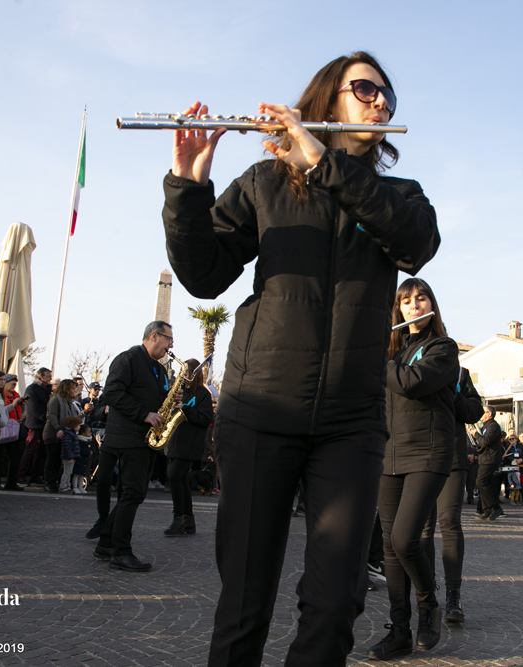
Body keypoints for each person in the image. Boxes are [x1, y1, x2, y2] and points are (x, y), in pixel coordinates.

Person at [162, 52, 438, 667]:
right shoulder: (264, 184)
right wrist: (187, 189)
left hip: (350, 423)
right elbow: (204, 276)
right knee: (244, 601)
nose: (381, 103)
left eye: (388, 96)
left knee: (337, 602)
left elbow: (417, 244)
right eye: (365, 89)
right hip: (259, 410)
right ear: (328, 100)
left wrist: (323, 162)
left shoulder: (396, 195)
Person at [370, 278, 457, 659]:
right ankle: (399, 629)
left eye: (421, 299)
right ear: (398, 310)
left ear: (430, 304)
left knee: (406, 539)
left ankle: (429, 605)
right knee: (390, 547)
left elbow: (412, 382)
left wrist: (378, 360)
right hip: (389, 454)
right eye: (406, 302)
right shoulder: (393, 350)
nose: (414, 306)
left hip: (428, 451)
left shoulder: (442, 348)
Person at [93, 321, 175, 571]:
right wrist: (144, 414)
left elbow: (156, 399)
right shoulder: (128, 358)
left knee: (134, 494)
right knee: (132, 494)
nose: (171, 345)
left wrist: (171, 400)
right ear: (153, 335)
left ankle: (106, 543)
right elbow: (113, 393)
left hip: (144, 439)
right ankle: (120, 551)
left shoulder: (159, 369)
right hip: (129, 438)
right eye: (168, 339)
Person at [420, 364, 482, 626]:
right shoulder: (412, 368)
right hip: (420, 457)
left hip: (453, 458)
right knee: (423, 528)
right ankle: (427, 594)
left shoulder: (459, 374)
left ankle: (453, 596)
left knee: (449, 522)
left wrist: (454, 394)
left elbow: (475, 411)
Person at [163, 358, 214, 537]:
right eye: (181, 372)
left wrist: (185, 409)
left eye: (186, 372)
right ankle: (189, 520)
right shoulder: (179, 391)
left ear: (194, 373)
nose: (182, 376)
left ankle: (179, 517)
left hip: (191, 442)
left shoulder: (202, 394)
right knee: (181, 479)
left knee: (174, 475)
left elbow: (206, 418)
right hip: (175, 439)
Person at [43, 379, 79, 493]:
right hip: (53, 433)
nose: (74, 391)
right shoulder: (55, 399)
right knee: (52, 458)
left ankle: (57, 481)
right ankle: (49, 482)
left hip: (65, 434)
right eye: (72, 388)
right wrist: (58, 428)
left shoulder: (70, 403)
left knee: (59, 460)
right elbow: (52, 415)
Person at [18, 367, 52, 485]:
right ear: (41, 376)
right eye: (48, 375)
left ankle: (35, 475)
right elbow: (32, 407)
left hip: (44, 423)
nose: (50, 378)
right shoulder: (32, 389)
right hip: (35, 423)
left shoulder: (47, 389)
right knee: (30, 448)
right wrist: (44, 417)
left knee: (41, 451)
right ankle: (21, 474)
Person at [472, 405, 503, 520]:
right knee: (487, 483)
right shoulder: (485, 426)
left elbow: (485, 441)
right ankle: (487, 510)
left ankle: (495, 507)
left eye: (484, 412)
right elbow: (480, 444)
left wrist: (475, 434)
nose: (481, 414)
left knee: (480, 482)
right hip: (484, 458)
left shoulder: (493, 426)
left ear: (489, 414)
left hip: (490, 459)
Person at [59, 415, 83, 492]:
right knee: (67, 471)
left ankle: (67, 485)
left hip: (70, 456)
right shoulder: (69, 435)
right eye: (78, 425)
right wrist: (70, 457)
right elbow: (67, 447)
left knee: (69, 471)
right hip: (68, 457)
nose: (79, 427)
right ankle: (63, 485)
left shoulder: (70, 434)